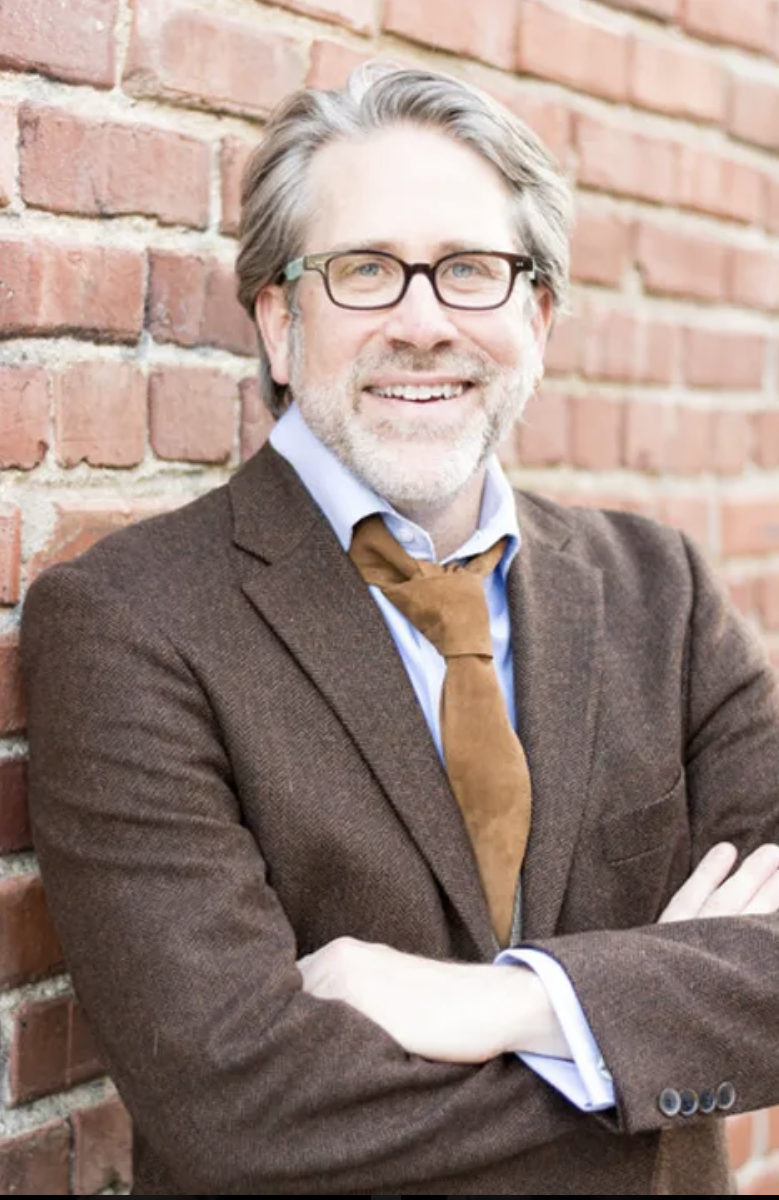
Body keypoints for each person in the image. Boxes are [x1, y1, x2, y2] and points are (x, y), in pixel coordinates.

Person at [20, 62, 779, 1197]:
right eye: (365, 271)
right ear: (279, 322)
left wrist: (506, 1003)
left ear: (536, 317)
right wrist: (653, 1025)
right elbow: (240, 1103)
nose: (422, 323)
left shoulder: (657, 593)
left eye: (470, 271)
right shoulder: (131, 623)